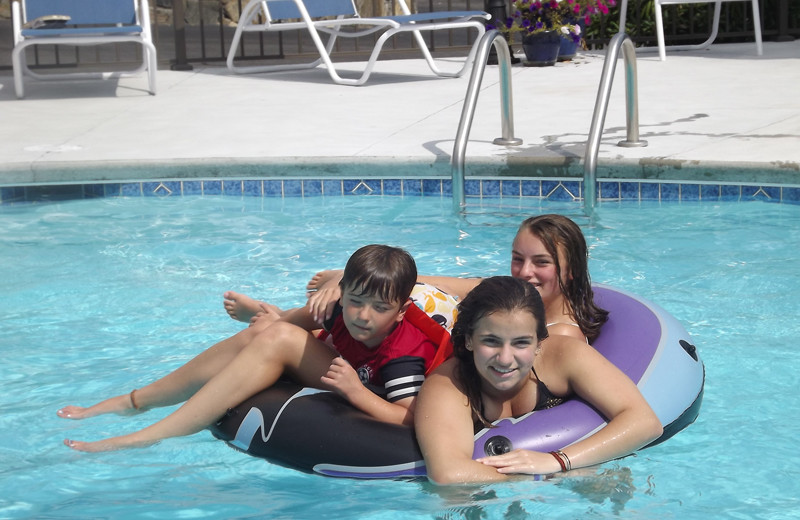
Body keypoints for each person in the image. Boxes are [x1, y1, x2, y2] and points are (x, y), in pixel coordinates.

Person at [59, 244, 439, 452]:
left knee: (277, 336)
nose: (364, 316)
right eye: (355, 300)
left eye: (380, 308)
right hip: (334, 358)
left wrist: (356, 392)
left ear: (402, 311)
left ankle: (150, 434)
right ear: (344, 293)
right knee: (264, 333)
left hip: (362, 385)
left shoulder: (403, 355)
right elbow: (290, 326)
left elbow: (410, 419)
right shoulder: (340, 307)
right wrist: (266, 319)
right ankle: (136, 400)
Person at [414, 276, 663, 484]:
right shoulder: (448, 385)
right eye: (491, 341)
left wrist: (558, 460)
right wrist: (547, 476)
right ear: (469, 340)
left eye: (521, 342)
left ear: (538, 342)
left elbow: (645, 422)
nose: (505, 358)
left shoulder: (564, 355)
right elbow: (448, 474)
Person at [230, 214, 607, 343]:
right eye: (517, 258)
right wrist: (349, 278)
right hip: (404, 316)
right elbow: (424, 279)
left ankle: (272, 316)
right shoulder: (508, 291)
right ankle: (276, 316)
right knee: (370, 305)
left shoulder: (562, 332)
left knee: (335, 330)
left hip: (424, 344)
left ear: (569, 269)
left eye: (540, 263)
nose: (525, 272)